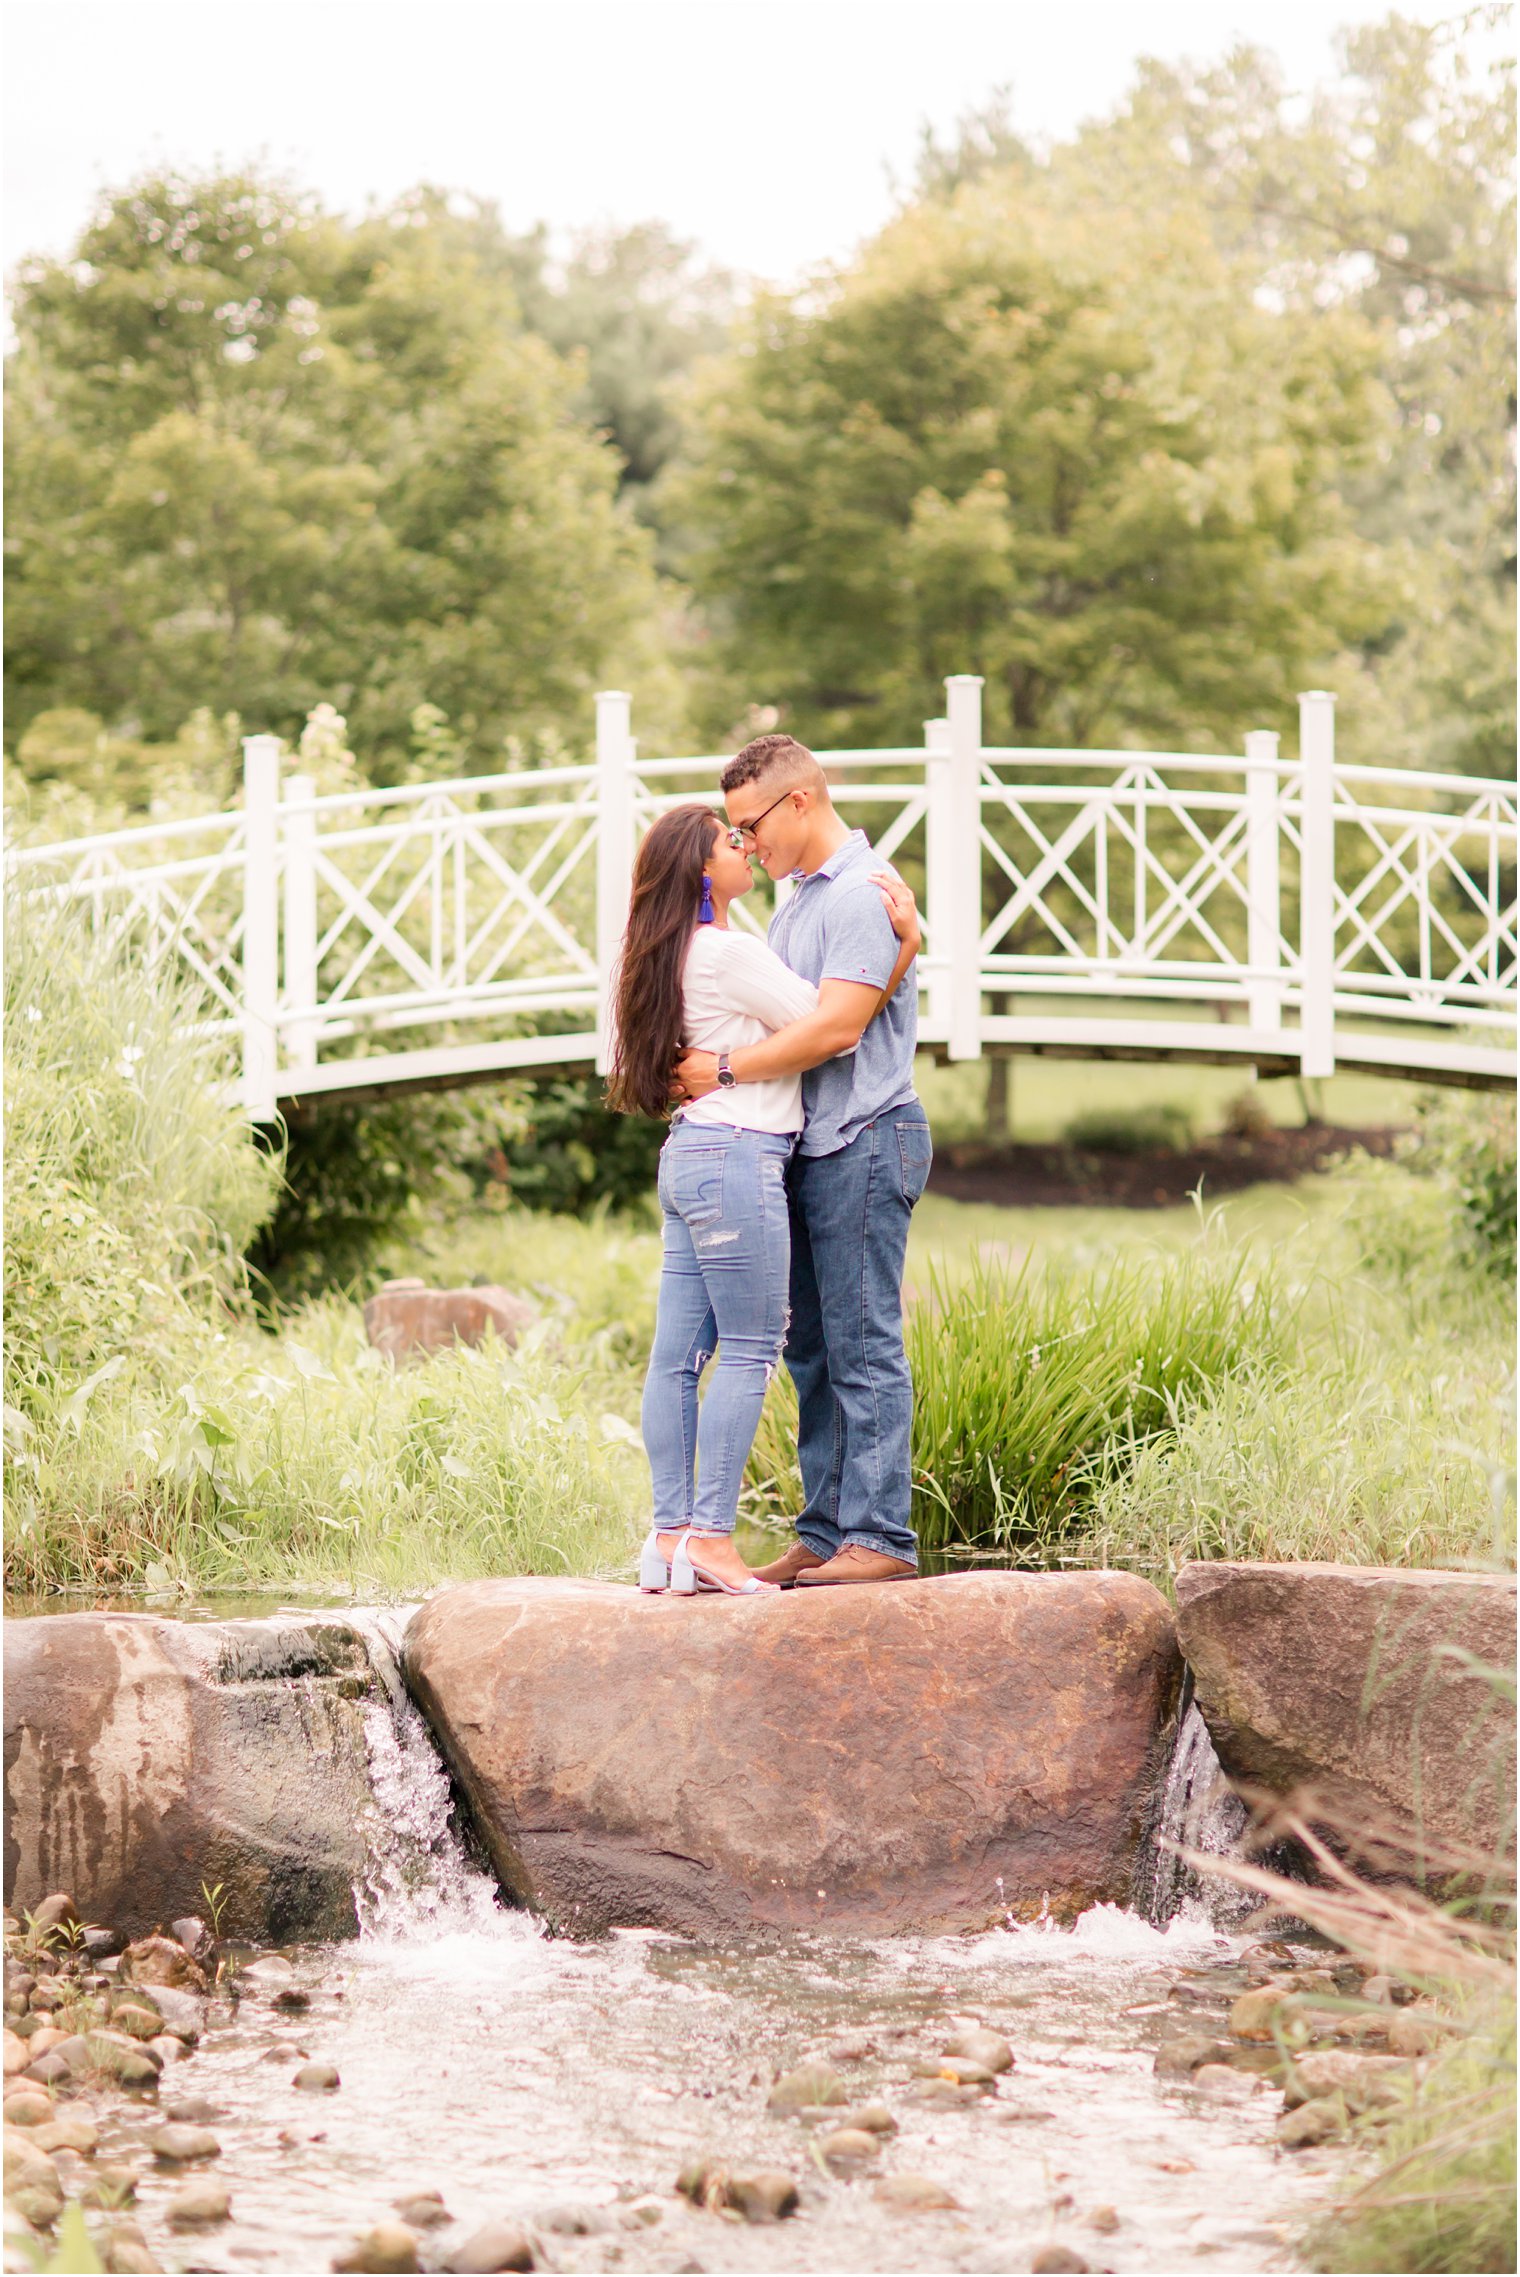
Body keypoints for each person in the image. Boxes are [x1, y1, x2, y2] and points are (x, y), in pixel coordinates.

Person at [607, 802, 919, 1598]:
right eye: (729, 840)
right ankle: (711, 1537)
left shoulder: (660, 951)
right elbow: (828, 1024)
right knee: (750, 1347)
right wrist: (902, 952)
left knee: (676, 1358)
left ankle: (670, 1536)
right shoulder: (728, 950)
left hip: (688, 1153)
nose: (745, 846)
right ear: (705, 871)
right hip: (740, 1155)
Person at [673, 734, 932, 1588]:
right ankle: (825, 1532)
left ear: (800, 802)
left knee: (863, 1344)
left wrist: (715, 1071)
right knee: (812, 1351)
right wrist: (909, 950)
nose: (746, 846)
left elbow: (833, 1029)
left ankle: (880, 1536)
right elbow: (797, 1016)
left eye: (750, 826)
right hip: (810, 1146)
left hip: (863, 1135)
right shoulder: (793, 904)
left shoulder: (860, 892)